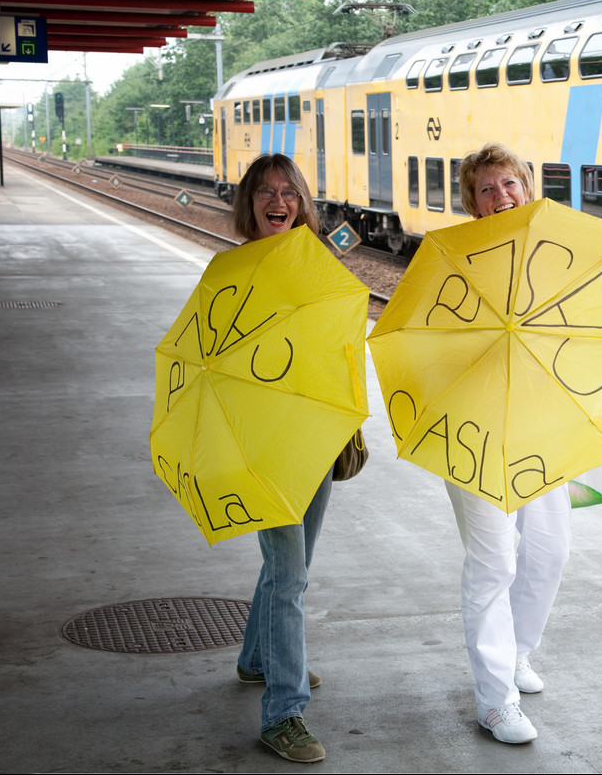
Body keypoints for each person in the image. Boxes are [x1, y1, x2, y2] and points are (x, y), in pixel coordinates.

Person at [448, 143, 573, 745]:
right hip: (471, 432)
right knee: (494, 561)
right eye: (487, 189)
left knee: (549, 550)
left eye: (510, 185)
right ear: (471, 203)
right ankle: (494, 700)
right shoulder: (453, 260)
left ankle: (518, 651)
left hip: (538, 426)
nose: (502, 197)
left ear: (528, 188)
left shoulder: (553, 257)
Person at [230, 153, 331, 763]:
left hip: (315, 436)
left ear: (301, 202)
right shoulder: (231, 271)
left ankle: (256, 659)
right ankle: (283, 713)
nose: (278, 201)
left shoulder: (316, 263)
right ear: (250, 202)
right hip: (264, 446)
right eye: (265, 192)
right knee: (290, 575)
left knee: (290, 565)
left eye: (288, 192)